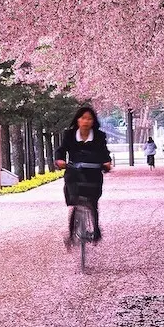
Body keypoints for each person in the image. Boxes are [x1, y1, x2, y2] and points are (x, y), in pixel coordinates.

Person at [54, 105, 113, 246]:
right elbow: (61, 150)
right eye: (83, 118)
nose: (86, 121)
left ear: (93, 121)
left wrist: (106, 162)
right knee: (75, 200)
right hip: (74, 170)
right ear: (78, 120)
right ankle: (70, 234)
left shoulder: (99, 136)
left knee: (92, 202)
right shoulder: (69, 134)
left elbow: (104, 152)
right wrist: (60, 160)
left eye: (89, 118)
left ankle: (96, 230)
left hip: (93, 170)